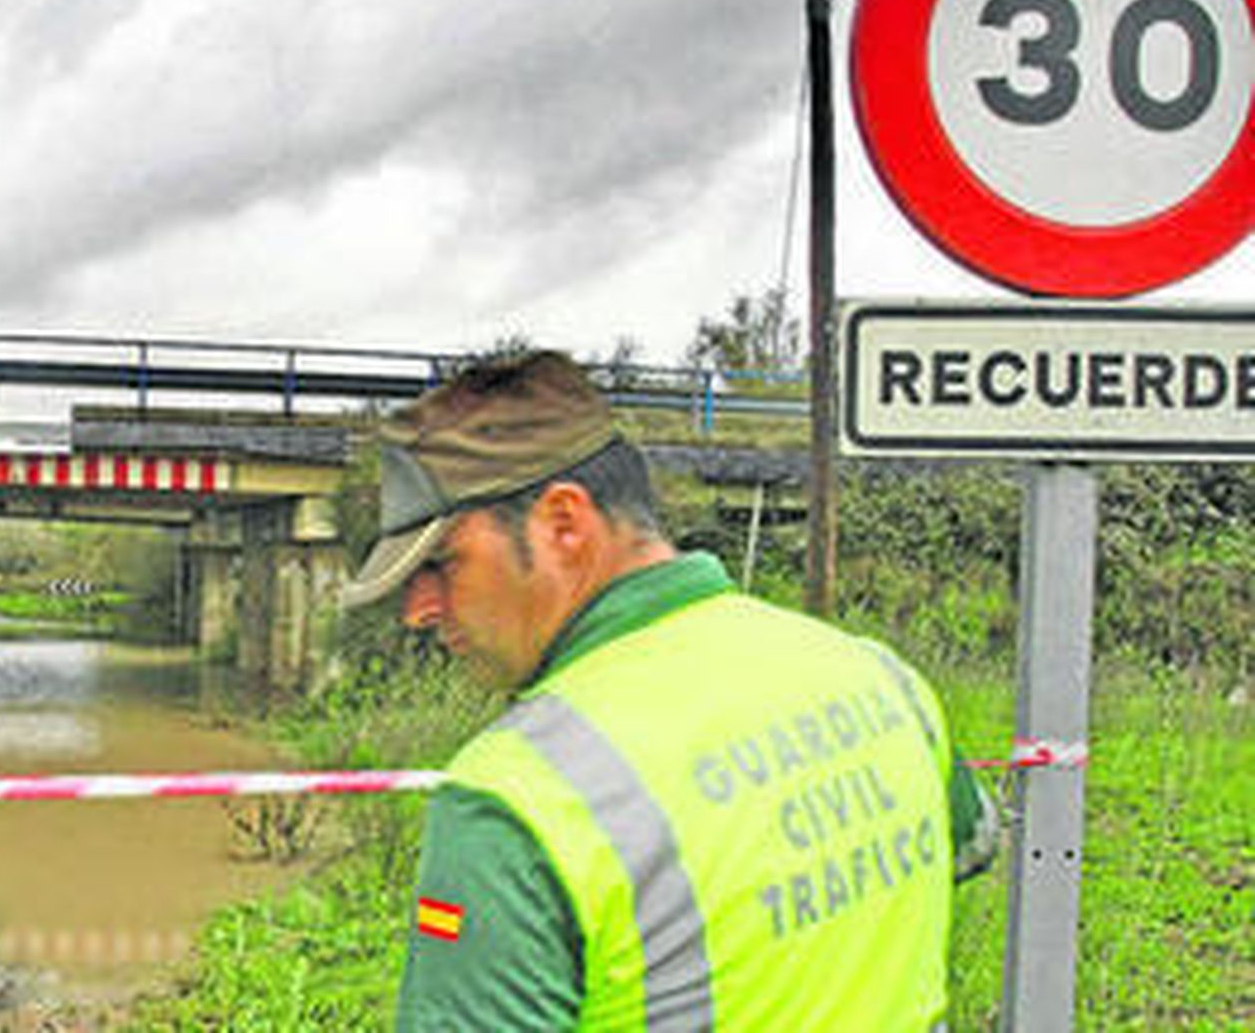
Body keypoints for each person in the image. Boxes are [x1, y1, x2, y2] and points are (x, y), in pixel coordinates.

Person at [344, 350, 997, 1031]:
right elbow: (972, 841)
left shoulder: (514, 795)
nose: (418, 608)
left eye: (443, 564)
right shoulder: (878, 677)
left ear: (564, 523)